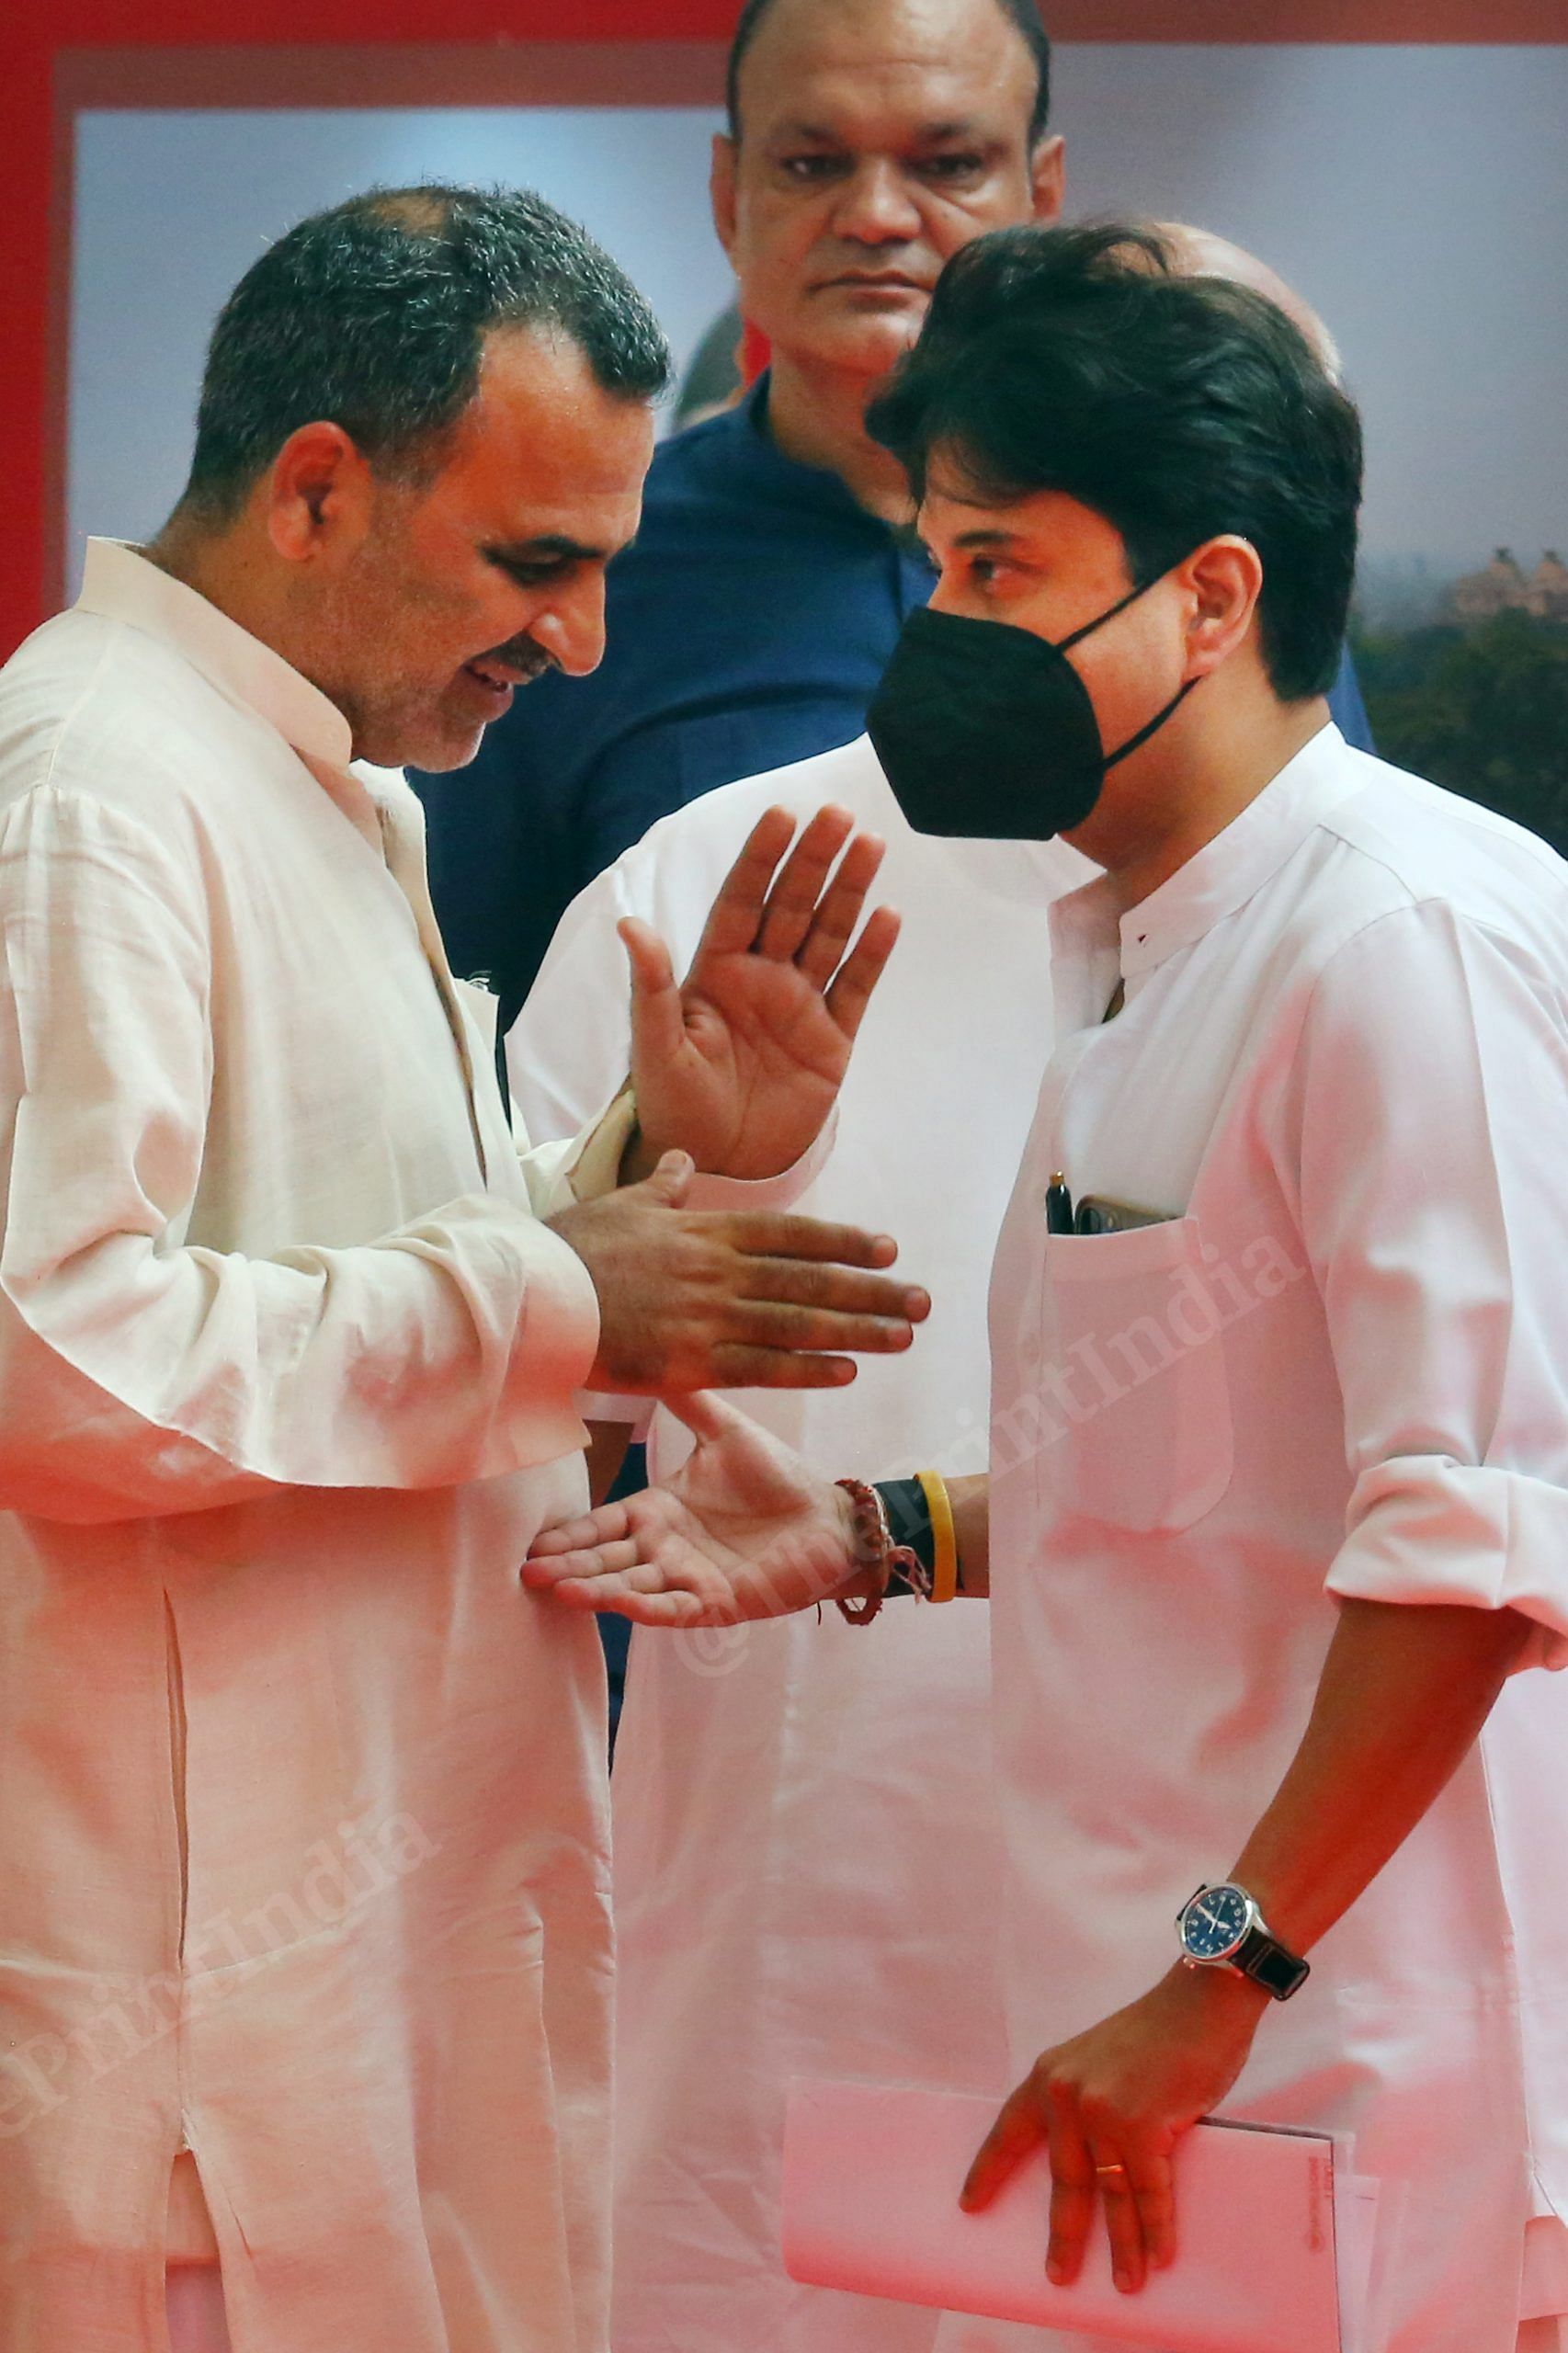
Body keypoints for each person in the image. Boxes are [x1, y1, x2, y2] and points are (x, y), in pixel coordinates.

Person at [524, 222, 1568, 2353]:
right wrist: (867, 1532)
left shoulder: (1397, 947)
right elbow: (1190, 1464)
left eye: (998, 569)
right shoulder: (1129, 943)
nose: (943, 625)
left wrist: (1213, 1978)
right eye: (936, 565)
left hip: (1330, 2052)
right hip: (1130, 2036)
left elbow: (1464, 1549)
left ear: (1209, 591)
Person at [0, 183, 932, 2353]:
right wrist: (566, 1299)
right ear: (318, 486)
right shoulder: (90, 797)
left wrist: (642, 1166)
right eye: (539, 563)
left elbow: (344, 1241)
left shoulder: (303, 770)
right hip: (193, 2010)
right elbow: (56, 1350)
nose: (587, 643)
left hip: (373, 1940)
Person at [413, 0, 1373, 1029]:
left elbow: (1316, 908)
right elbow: (467, 1032)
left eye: (947, 164)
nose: (875, 215)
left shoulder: (1187, 559)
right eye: (810, 164)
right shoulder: (580, 573)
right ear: (728, 196)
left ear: (1039, 193)